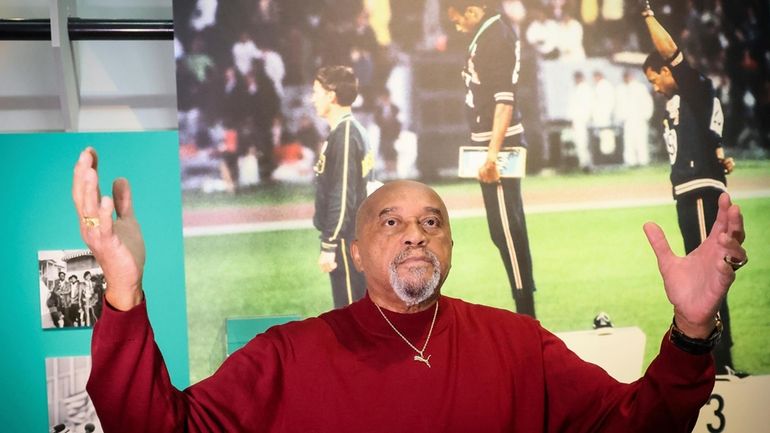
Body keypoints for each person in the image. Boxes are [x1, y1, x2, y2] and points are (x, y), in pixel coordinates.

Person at [73, 147, 747, 432]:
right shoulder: (289, 356)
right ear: (357, 248)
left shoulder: (518, 346)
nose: (416, 234)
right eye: (390, 222)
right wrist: (124, 292)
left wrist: (691, 331)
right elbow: (160, 426)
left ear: (451, 246)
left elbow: (636, 425)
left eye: (432, 222)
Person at [642, 4, 738, 375]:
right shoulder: (679, 102)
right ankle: (715, 359)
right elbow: (712, 132)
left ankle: (722, 361)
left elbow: (672, 52)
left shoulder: (692, 86)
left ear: (668, 71)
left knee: (707, 278)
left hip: (699, 191)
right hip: (690, 190)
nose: (655, 85)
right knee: (701, 277)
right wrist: (718, 151)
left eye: (655, 77)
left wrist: (648, 16)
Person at [447, 0, 537, 317]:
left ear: (474, 10)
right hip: (491, 142)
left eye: (457, 19)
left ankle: (527, 313)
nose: (456, 25)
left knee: (507, 230)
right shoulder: (488, 34)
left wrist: (492, 155)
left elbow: (504, 101)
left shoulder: (495, 36)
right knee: (503, 230)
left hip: (498, 143)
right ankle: (526, 310)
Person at [311, 66, 374, 308]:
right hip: (355, 238)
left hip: (346, 241)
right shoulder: (350, 130)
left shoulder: (345, 134)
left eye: (316, 91)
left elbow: (343, 194)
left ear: (331, 95)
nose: (312, 98)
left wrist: (329, 244)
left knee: (351, 318)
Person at [615, 70, 654, 168]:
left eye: (628, 76)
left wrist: (646, 116)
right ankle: (630, 162)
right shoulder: (621, 88)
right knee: (628, 141)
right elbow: (619, 104)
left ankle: (643, 161)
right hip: (628, 119)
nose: (626, 78)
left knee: (641, 140)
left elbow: (648, 102)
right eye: (625, 77)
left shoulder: (640, 87)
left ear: (631, 76)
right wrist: (620, 117)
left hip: (640, 118)